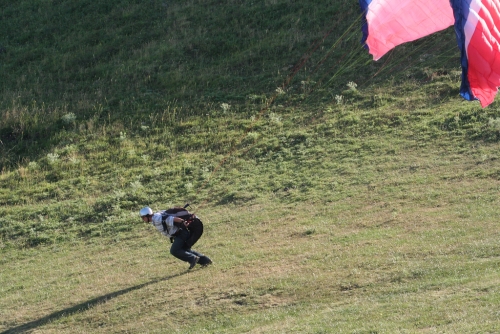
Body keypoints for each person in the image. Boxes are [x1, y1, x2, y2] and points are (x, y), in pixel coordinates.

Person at [139, 206, 212, 270]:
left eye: (143, 217)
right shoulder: (155, 218)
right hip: (179, 234)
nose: (142, 219)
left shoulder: (157, 219)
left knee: (174, 251)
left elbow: (172, 218)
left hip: (181, 233)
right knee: (184, 250)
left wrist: (182, 222)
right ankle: (206, 261)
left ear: (147, 216)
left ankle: (192, 258)